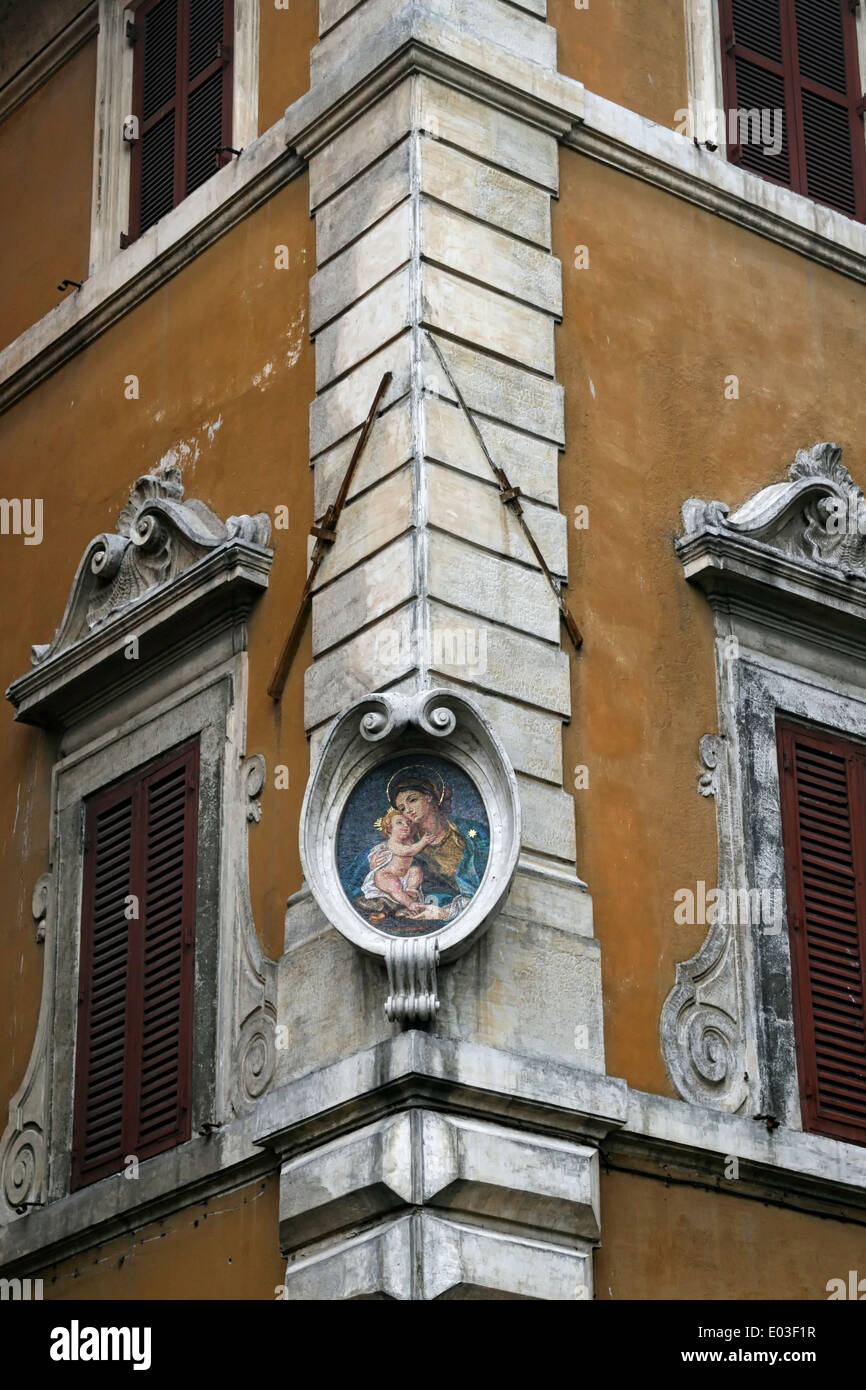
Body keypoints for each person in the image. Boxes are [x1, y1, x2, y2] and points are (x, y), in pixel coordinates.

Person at [341, 765, 489, 931]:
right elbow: (350, 879)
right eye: (402, 808)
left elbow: (487, 885)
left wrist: (444, 913)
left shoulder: (472, 834)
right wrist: (373, 865)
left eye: (412, 800)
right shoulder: (405, 843)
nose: (408, 810)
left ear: (428, 797)